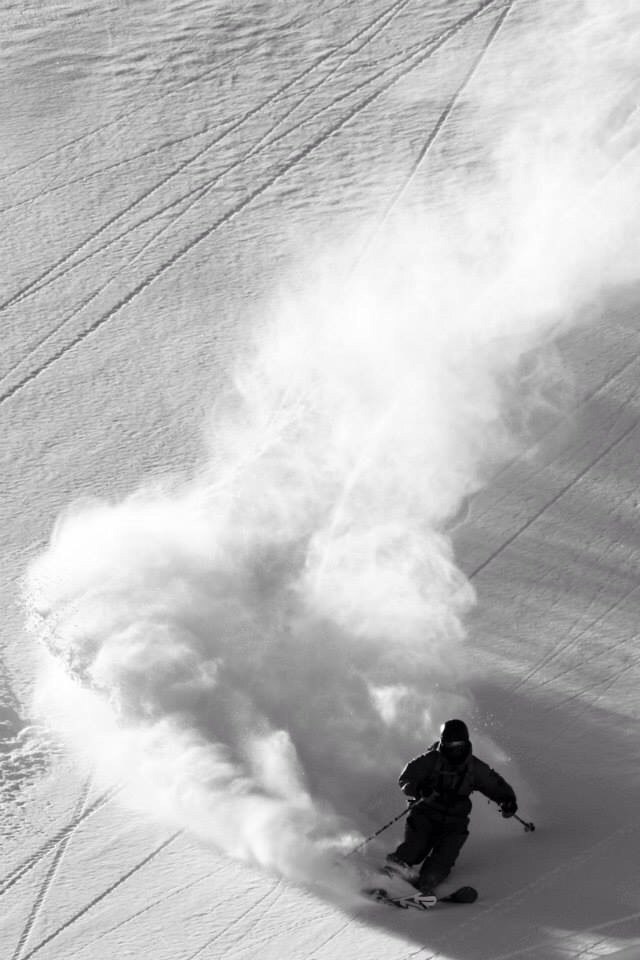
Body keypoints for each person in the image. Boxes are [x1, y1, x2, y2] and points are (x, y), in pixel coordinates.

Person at [386, 719, 518, 895]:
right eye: (450, 746)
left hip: (455, 821)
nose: (455, 751)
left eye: (459, 746)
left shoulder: (474, 767)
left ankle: (426, 885)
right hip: (425, 813)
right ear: (443, 743)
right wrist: (419, 788)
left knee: (442, 859)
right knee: (415, 847)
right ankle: (392, 873)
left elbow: (493, 783)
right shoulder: (431, 760)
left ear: (466, 744)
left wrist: (507, 800)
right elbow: (406, 778)